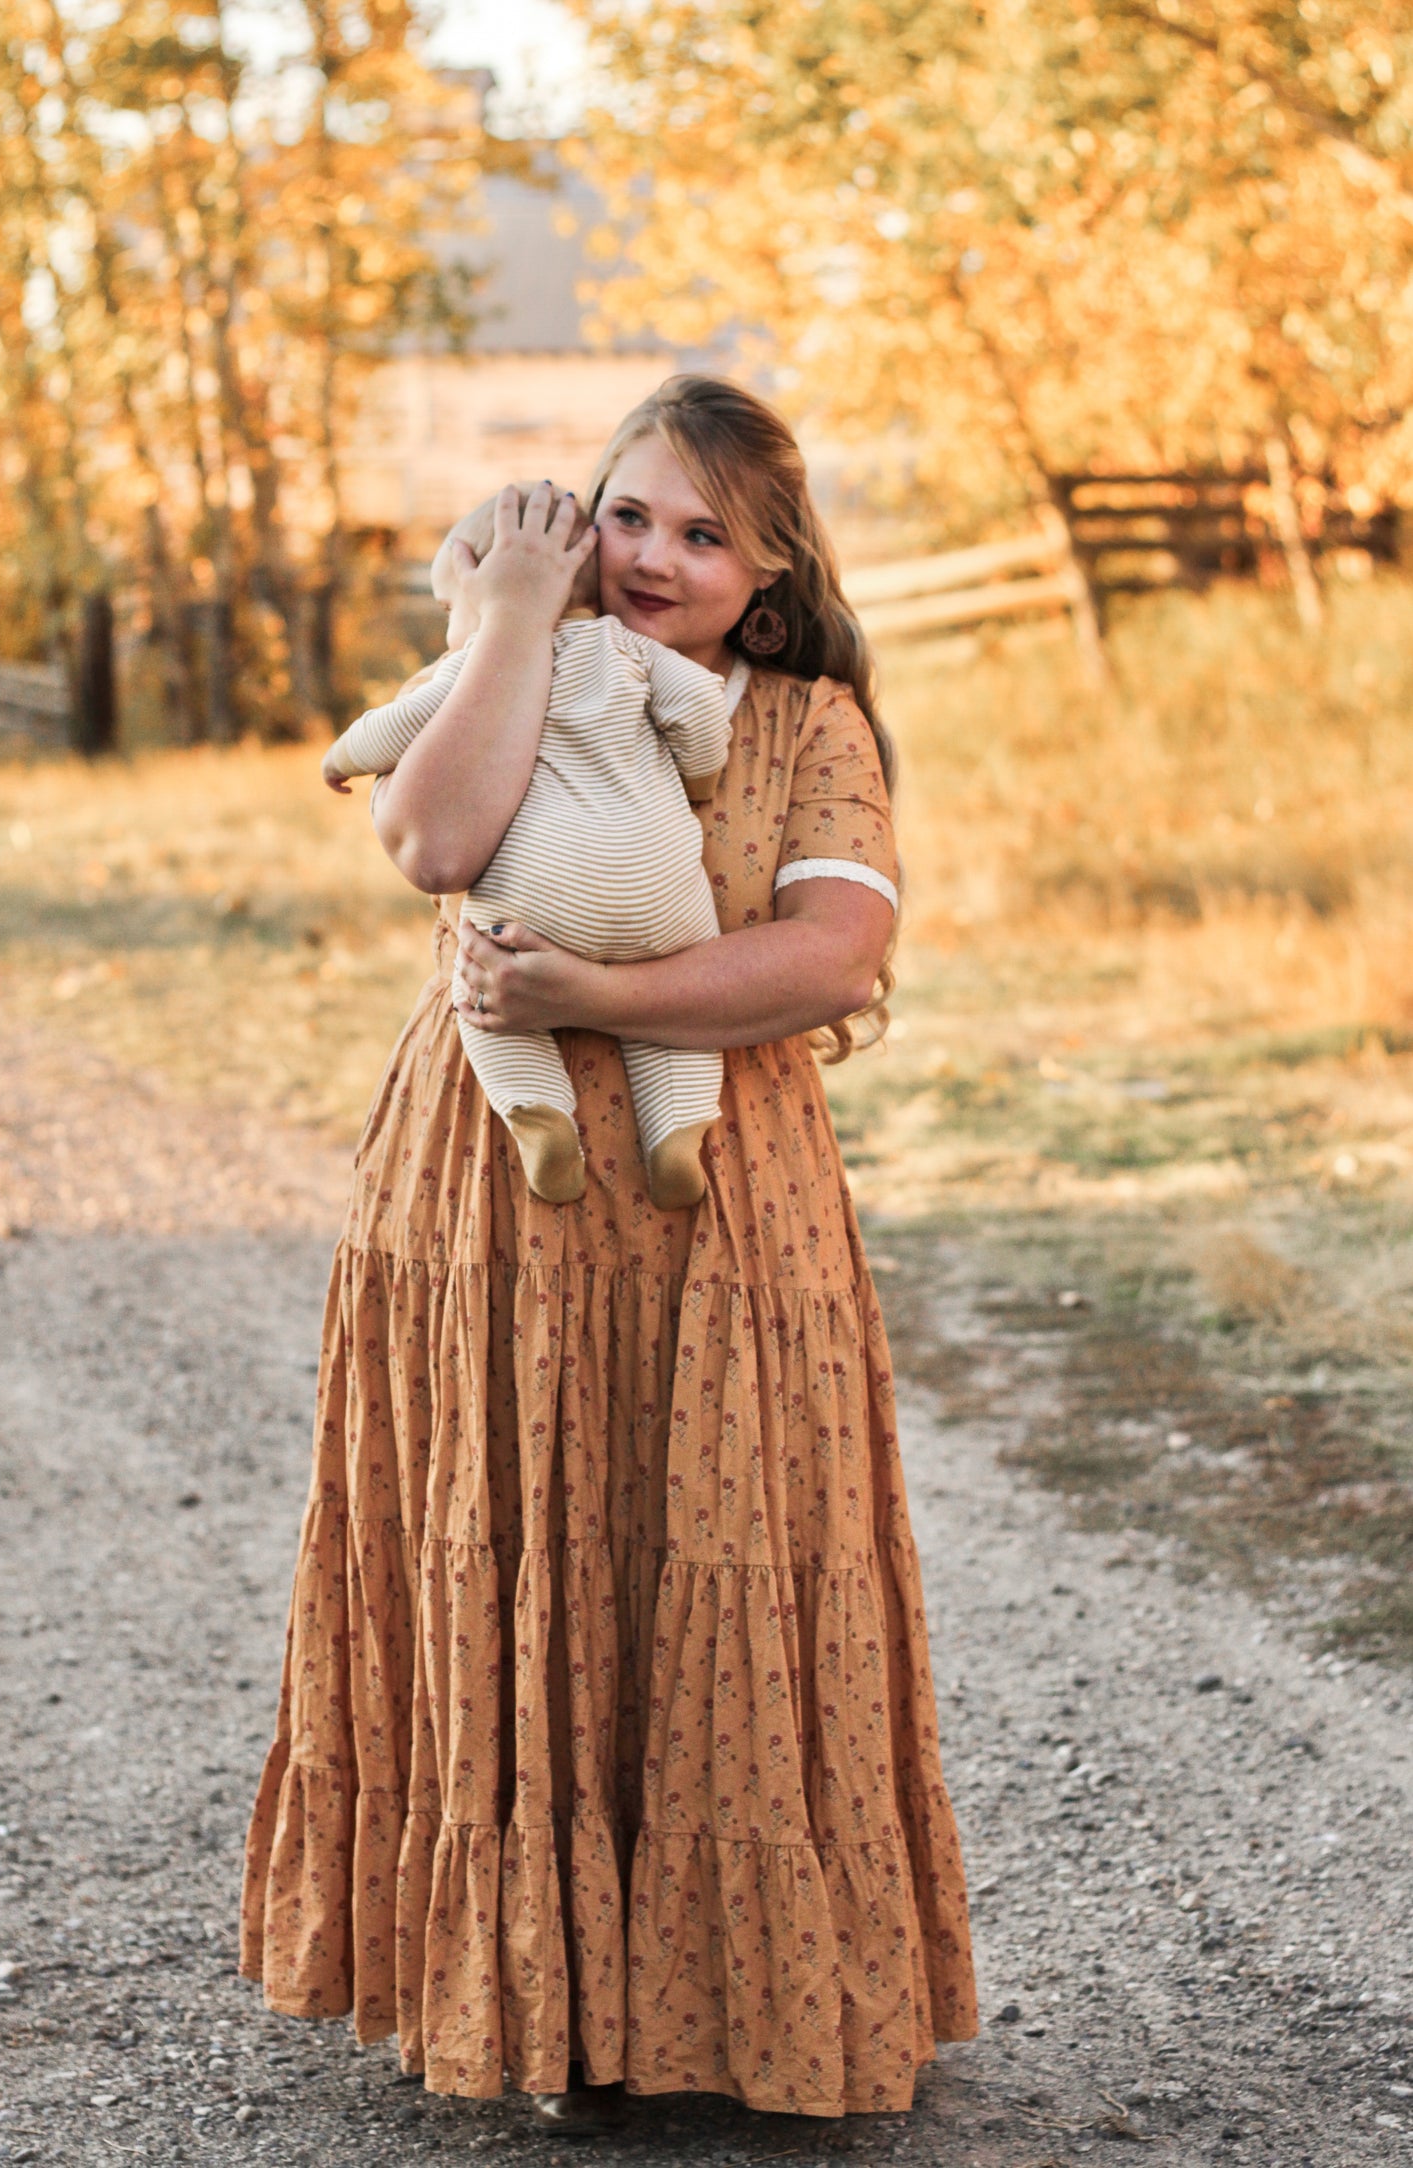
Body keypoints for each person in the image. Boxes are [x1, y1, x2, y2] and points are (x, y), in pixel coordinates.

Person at [240, 375, 978, 2125]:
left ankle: (739, 2013)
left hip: (726, 1205)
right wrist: (507, 614)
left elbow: (832, 957)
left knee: (722, 1554)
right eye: (630, 513)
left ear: (772, 574)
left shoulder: (806, 726)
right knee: (518, 1548)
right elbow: (432, 839)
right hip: (488, 1194)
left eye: (706, 535)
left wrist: (598, 994)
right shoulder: (527, 660)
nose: (656, 556)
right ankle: (544, 2007)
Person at [319, 482, 734, 1210]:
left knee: (481, 982)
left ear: (489, 587)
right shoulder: (631, 649)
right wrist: (698, 774)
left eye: (449, 605)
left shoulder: (486, 667)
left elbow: (401, 723)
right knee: (676, 1009)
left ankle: (538, 1114)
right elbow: (700, 705)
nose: (450, 624)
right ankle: (678, 1129)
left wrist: (341, 756)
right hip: (664, 901)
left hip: (541, 905)